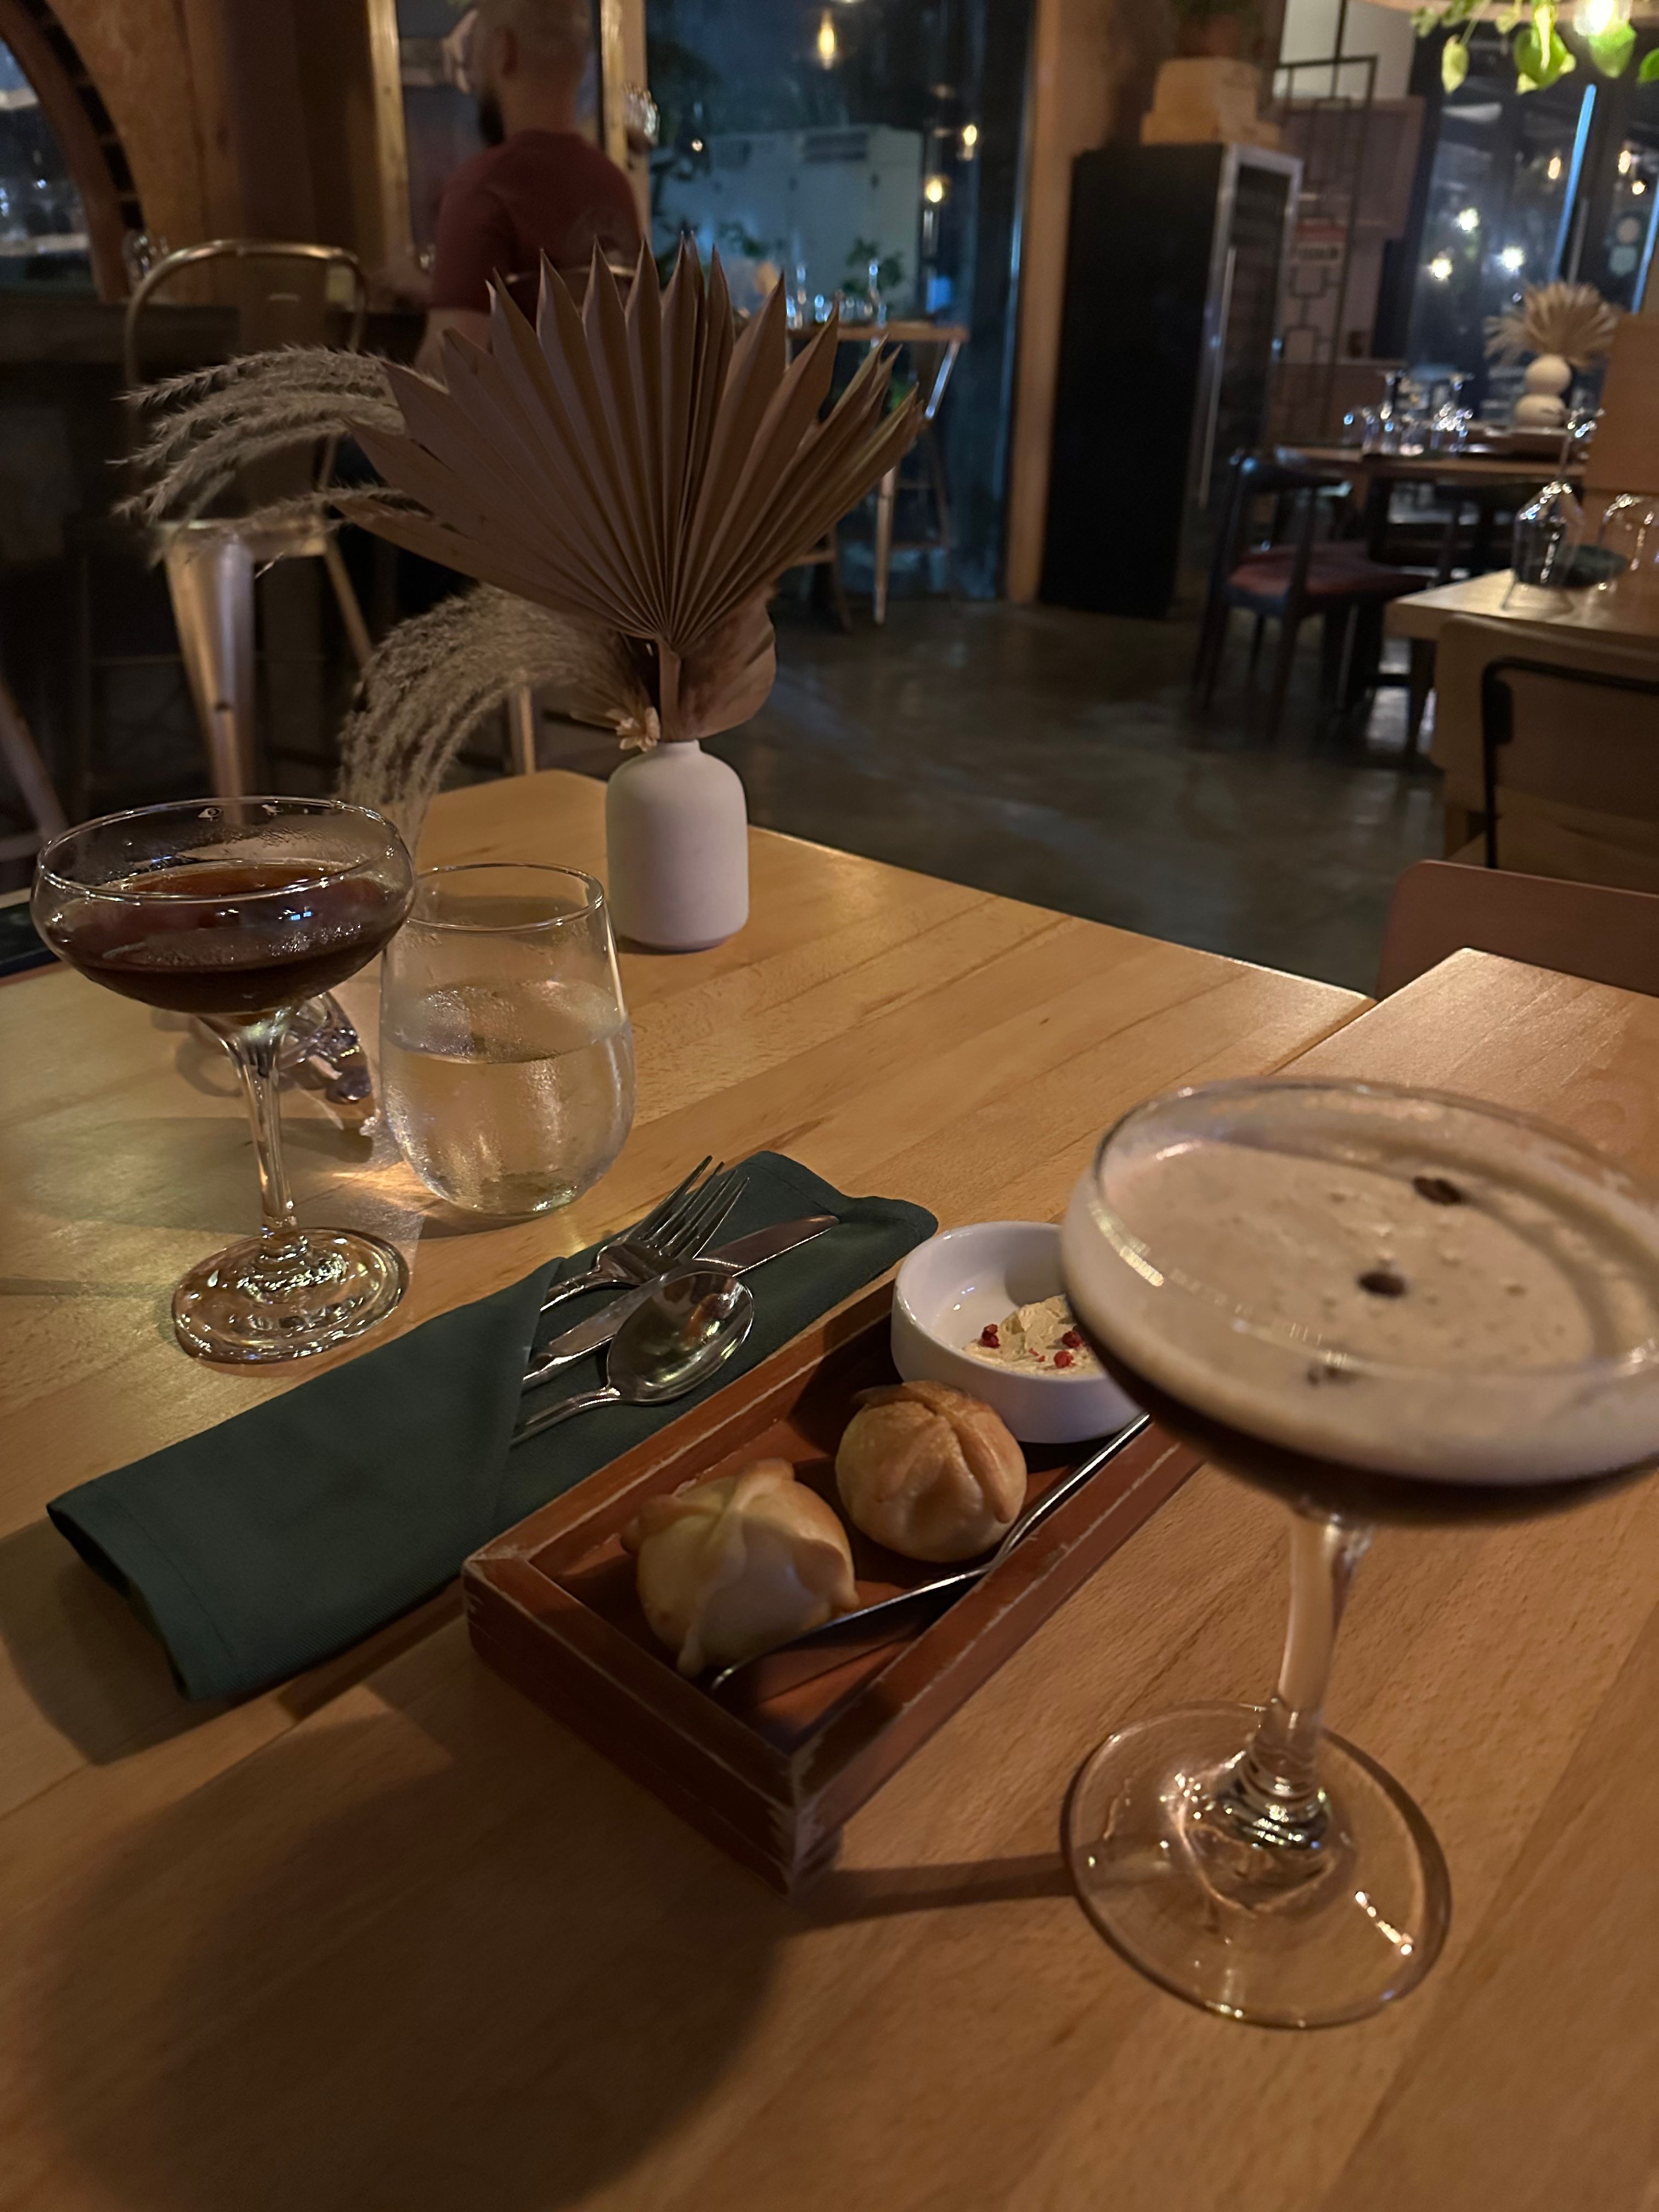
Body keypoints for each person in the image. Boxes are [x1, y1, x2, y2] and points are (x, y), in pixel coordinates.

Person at [416, 0, 641, 377]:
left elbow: (448, 371)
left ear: (504, 50)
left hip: (519, 419)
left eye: (477, 49)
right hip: (607, 418)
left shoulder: (482, 187)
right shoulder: (615, 187)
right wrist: (448, 284)